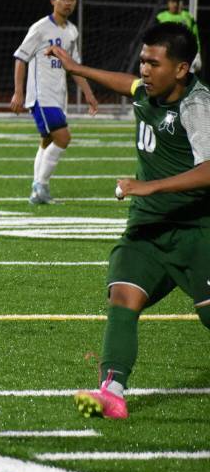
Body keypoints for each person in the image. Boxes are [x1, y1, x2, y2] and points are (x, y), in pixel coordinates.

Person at [46, 22, 210, 419]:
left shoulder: (196, 106)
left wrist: (149, 187)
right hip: (147, 229)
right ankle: (113, 391)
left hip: (197, 230)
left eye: (154, 64)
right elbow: (127, 85)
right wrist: (78, 69)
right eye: (143, 61)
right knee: (123, 297)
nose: (144, 71)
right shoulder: (148, 92)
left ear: (181, 69)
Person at [10, 0, 100, 205]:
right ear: (53, 1)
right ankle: (41, 186)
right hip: (41, 96)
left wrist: (88, 94)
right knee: (63, 137)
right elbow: (20, 58)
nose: (68, 3)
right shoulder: (40, 28)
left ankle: (37, 190)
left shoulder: (72, 31)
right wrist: (18, 93)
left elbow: (75, 67)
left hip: (59, 96)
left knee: (47, 140)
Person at [156, 0, 201, 73]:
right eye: (173, 2)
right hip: (166, 54)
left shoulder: (188, 17)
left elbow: (195, 36)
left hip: (184, 54)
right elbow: (155, 38)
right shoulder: (160, 18)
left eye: (177, 2)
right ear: (168, 3)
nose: (175, 4)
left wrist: (197, 54)